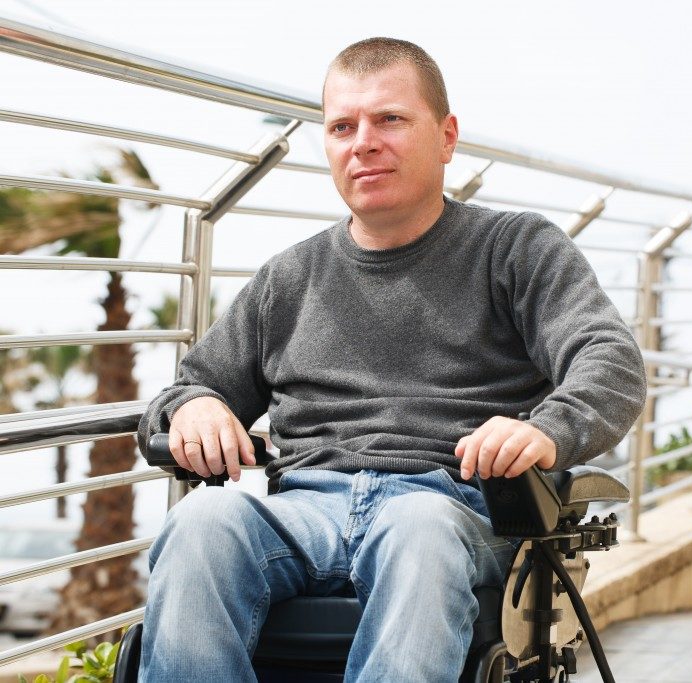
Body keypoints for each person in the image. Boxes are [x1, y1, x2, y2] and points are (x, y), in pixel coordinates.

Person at [136, 37, 646, 682]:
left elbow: (610, 360)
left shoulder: (515, 249)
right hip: (304, 510)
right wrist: (195, 407)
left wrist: (544, 429)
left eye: (391, 120)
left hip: (451, 503)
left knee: (415, 525)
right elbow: (187, 390)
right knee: (204, 520)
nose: (364, 142)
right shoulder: (289, 278)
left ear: (447, 135)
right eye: (343, 126)